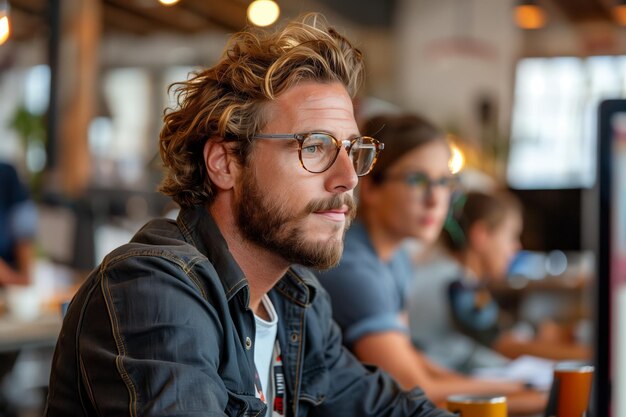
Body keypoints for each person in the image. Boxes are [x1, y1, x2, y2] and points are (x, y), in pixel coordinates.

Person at [44, 14, 453, 417]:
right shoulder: (153, 288)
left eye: (352, 150)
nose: (347, 178)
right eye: (314, 146)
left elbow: (388, 408)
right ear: (225, 163)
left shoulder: (298, 301)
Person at [316, 114, 546, 414]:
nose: (436, 200)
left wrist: (516, 388)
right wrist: (532, 393)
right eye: (417, 180)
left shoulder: (396, 258)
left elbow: (410, 358)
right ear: (370, 186)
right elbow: (412, 388)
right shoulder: (354, 267)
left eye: (444, 182)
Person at [437, 190, 590, 361]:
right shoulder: (456, 283)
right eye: (511, 236)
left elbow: (497, 327)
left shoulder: (463, 279)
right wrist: (591, 354)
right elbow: (504, 345)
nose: (517, 247)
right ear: (481, 235)